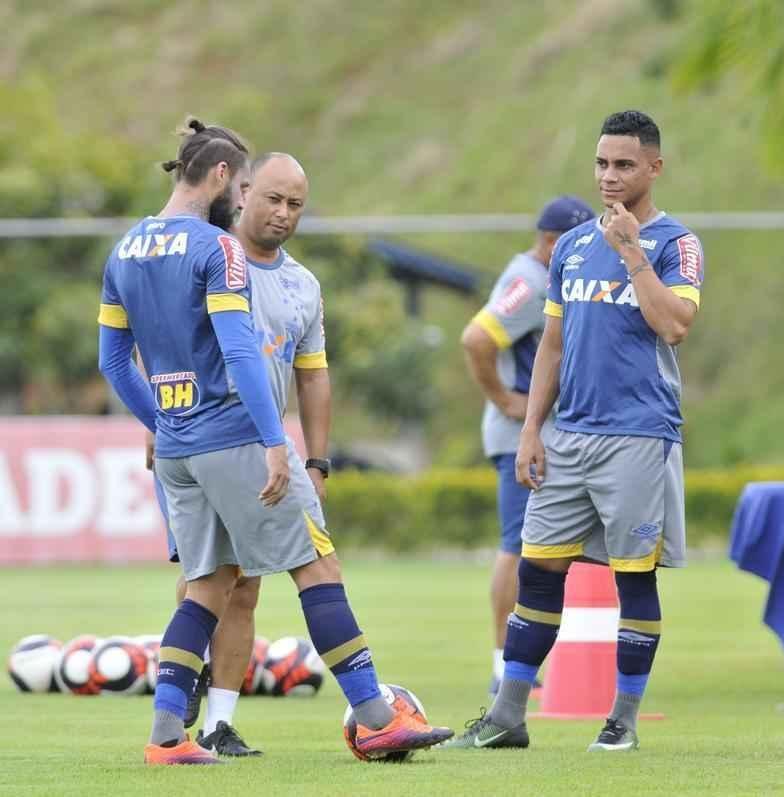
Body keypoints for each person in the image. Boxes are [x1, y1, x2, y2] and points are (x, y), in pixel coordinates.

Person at [98, 119, 452, 765]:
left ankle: (167, 735)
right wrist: (272, 441)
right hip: (235, 434)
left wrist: (159, 422)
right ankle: (376, 715)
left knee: (208, 585)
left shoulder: (126, 249)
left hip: (177, 448)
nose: (255, 205)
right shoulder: (218, 248)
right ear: (225, 178)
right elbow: (238, 351)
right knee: (318, 566)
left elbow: (115, 363)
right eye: (252, 191)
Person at [443, 110, 703, 754]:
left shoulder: (677, 243)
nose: (609, 177)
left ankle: (623, 720)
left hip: (639, 435)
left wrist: (633, 254)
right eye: (601, 164)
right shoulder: (571, 246)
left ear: (654, 168)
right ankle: (508, 716)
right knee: (537, 570)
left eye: (624, 165)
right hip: (569, 437)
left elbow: (673, 325)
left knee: (632, 578)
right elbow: (552, 345)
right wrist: (531, 427)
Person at [144, 151, 338, 756]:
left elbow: (312, 376)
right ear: (245, 192)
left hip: (264, 449)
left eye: (296, 205)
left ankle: (216, 724)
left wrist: (318, 459)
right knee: (208, 580)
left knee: (244, 586)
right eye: (274, 200)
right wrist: (158, 413)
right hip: (201, 440)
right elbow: (159, 336)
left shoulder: (301, 283)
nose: (283, 214)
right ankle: (184, 691)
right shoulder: (207, 259)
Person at [460, 195, 596, 696]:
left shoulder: (554, 278)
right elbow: (477, 339)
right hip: (523, 437)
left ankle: (530, 658)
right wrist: (507, 401)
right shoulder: (532, 280)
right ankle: (503, 663)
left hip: (549, 434)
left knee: (540, 547)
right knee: (518, 546)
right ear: (555, 242)